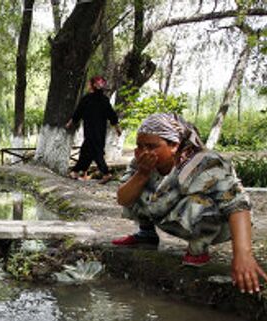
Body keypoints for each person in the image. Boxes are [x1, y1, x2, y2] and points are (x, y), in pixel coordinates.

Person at [113, 113, 266, 292]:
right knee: (134, 188)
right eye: (140, 145)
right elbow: (123, 198)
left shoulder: (206, 163)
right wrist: (142, 174)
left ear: (174, 145)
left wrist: (243, 255)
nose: (143, 151)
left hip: (215, 223)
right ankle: (146, 234)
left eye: (151, 146)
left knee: (197, 204)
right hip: (165, 211)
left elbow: (237, 205)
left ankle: (198, 249)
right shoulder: (141, 162)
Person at [65, 75, 121, 183]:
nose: (87, 85)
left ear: (92, 85)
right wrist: (117, 128)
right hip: (100, 132)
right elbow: (112, 115)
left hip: (90, 131)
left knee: (95, 152)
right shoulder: (104, 100)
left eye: (89, 83)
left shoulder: (86, 99)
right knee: (86, 151)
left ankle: (106, 173)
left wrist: (70, 123)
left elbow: (78, 113)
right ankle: (76, 172)